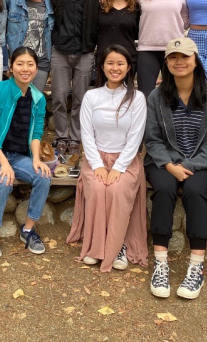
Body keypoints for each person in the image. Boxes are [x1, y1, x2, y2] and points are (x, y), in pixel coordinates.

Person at [145, 37, 207, 300]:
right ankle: (160, 262)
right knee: (165, 187)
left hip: (203, 162)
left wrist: (188, 165)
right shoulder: (157, 97)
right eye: (173, 57)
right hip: (163, 161)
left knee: (194, 189)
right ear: (166, 62)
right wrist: (170, 165)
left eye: (185, 57)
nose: (179, 62)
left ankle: (196, 266)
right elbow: (153, 138)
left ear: (196, 61)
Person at [67, 45, 148, 272]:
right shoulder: (92, 96)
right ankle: (96, 246)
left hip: (126, 159)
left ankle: (119, 244)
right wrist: (98, 165)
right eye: (110, 63)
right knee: (97, 187)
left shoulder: (137, 98)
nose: (115, 68)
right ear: (102, 66)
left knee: (116, 190)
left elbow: (135, 137)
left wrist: (119, 167)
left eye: (120, 63)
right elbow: (87, 134)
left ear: (129, 67)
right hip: (96, 158)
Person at [0, 47, 52, 258]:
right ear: (11, 67)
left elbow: (36, 132)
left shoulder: (38, 98)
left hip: (18, 156)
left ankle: (28, 229)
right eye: (20, 64)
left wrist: (36, 159)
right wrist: (4, 163)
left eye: (30, 64)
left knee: (43, 175)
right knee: (4, 179)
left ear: (36, 68)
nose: (25, 69)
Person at [44, 0, 106, 156]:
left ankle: (75, 138)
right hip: (60, 49)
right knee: (59, 97)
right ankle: (61, 136)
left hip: (85, 50)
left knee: (80, 97)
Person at [135, 0, 188, 96]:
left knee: (173, 96)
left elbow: (185, 20)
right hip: (147, 49)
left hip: (173, 50)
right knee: (145, 96)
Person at [6, 0, 54, 93]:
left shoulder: (49, 1)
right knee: (18, 97)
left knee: (36, 98)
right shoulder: (13, 0)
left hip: (41, 61)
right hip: (20, 60)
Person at [96, 0, 140, 69]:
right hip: (104, 61)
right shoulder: (101, 5)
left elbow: (137, 32)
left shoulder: (135, 7)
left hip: (127, 61)